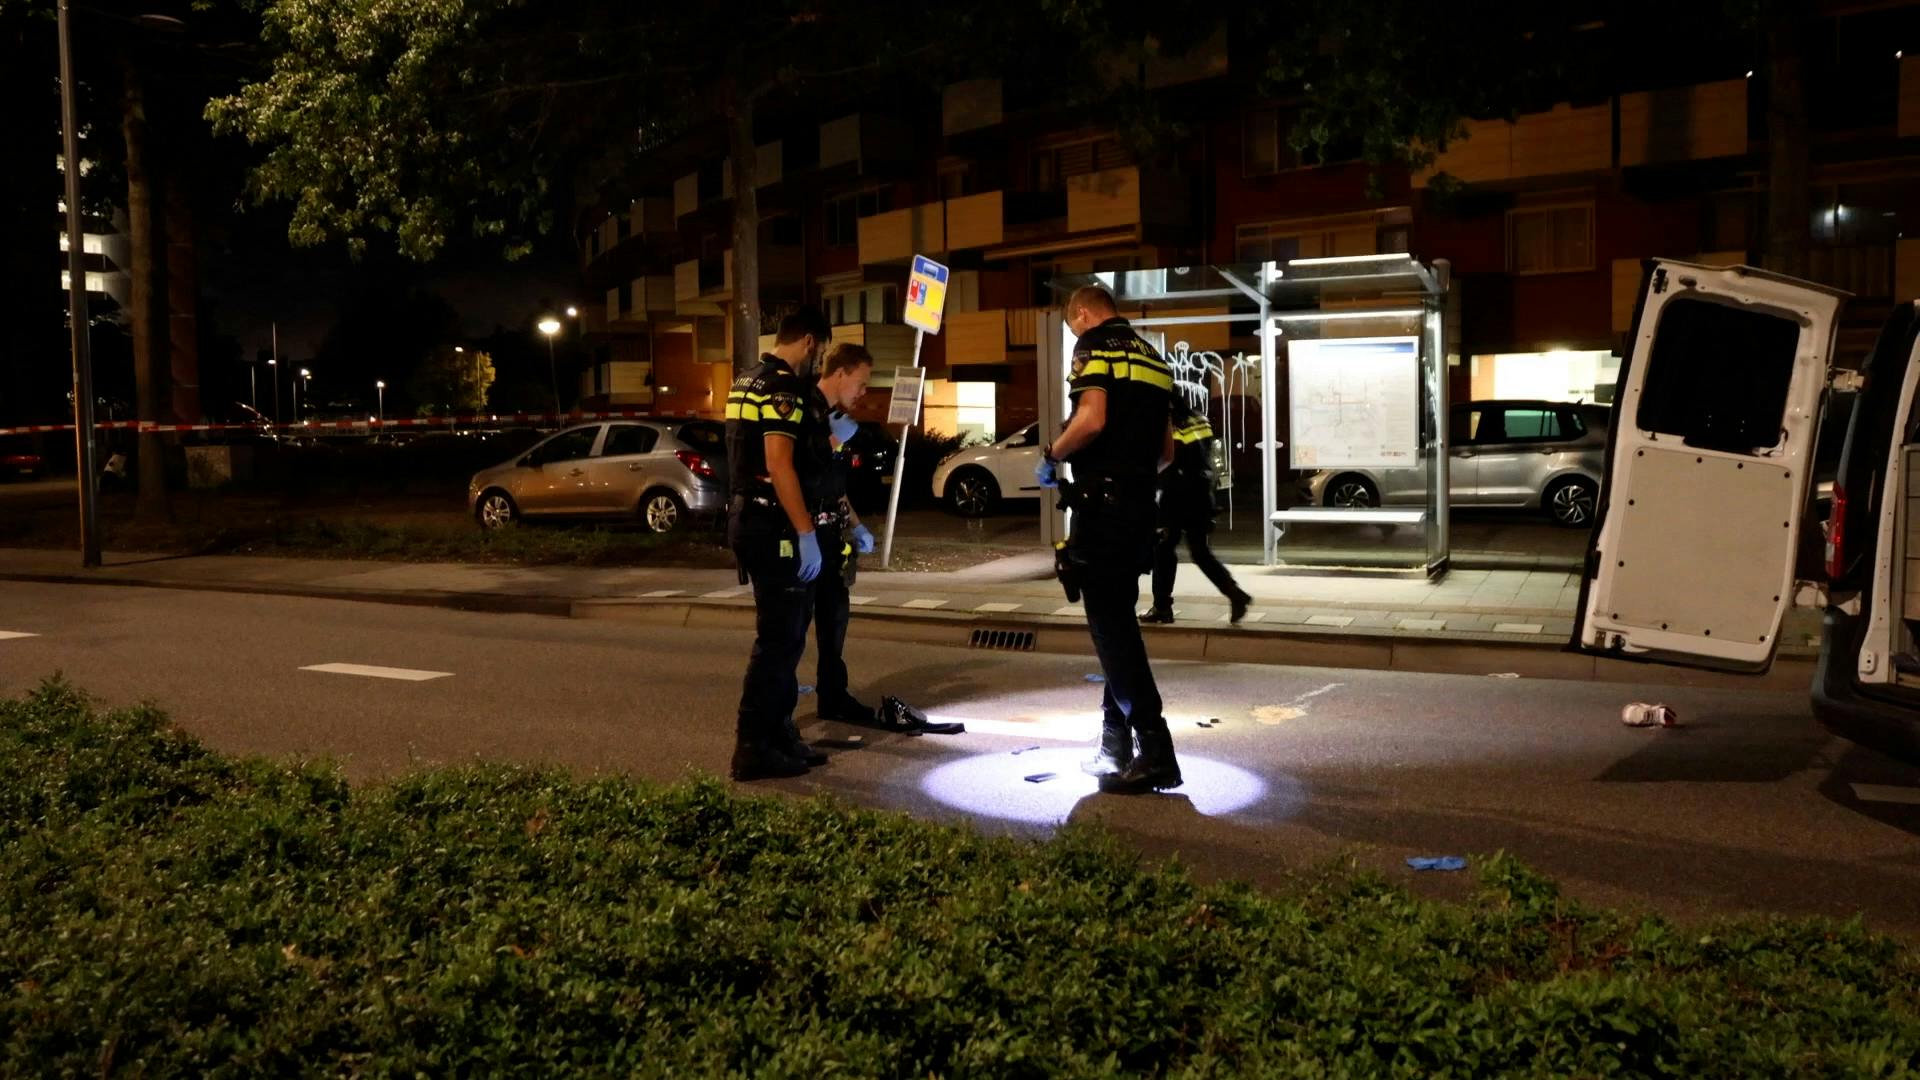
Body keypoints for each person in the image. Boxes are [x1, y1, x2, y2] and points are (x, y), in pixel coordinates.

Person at [1036, 285, 1182, 795]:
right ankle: (1115, 744)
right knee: (1119, 626)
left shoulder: (1093, 347)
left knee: (1112, 631)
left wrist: (1054, 452)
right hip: (1142, 506)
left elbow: (1092, 418)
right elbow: (1166, 451)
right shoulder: (1155, 358)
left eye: (1071, 322)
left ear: (1081, 313)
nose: (1073, 331)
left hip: (1104, 509)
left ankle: (1156, 750)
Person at [724, 306, 833, 781]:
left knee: (785, 638)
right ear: (809, 341)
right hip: (774, 526)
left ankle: (779, 733)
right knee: (778, 641)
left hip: (749, 517)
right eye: (822, 352)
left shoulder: (746, 380)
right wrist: (806, 532)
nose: (820, 361)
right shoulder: (785, 386)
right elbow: (779, 463)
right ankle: (753, 747)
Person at [806, 342, 879, 726]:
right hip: (806, 534)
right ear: (840, 373)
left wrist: (857, 524)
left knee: (834, 623)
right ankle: (777, 716)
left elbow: (835, 486)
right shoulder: (806, 413)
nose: (863, 392)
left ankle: (833, 697)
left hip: (832, 536)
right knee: (792, 632)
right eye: (861, 383)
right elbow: (801, 475)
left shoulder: (834, 417)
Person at [1143, 398, 1252, 625]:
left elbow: (1167, 457)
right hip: (1202, 493)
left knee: (1163, 549)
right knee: (1200, 551)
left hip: (1176, 495)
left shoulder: (1170, 422)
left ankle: (1162, 607)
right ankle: (1235, 593)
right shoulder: (1199, 418)